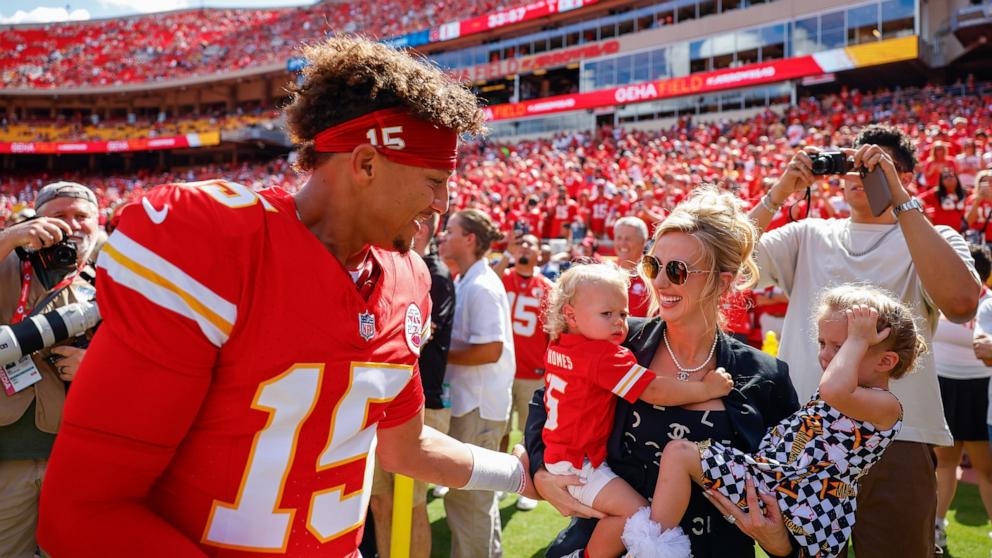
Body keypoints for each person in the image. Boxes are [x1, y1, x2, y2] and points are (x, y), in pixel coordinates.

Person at [37, 37, 533, 558]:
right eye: (434, 180)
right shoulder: (216, 246)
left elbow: (408, 446)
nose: (442, 204)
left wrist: (518, 475)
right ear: (365, 165)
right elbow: (82, 514)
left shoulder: (407, 278)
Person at [526, 187, 801, 558]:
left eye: (677, 270)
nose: (659, 282)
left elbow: (796, 492)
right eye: (654, 266)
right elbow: (547, 402)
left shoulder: (764, 376)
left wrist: (780, 543)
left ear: (723, 281)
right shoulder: (616, 341)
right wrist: (543, 472)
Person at [749, 124, 981, 557]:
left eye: (871, 164)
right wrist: (778, 194)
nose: (855, 173)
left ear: (904, 175)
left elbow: (962, 303)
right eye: (850, 163)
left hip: (900, 433)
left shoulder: (934, 237)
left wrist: (899, 199)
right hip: (809, 432)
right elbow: (723, 263)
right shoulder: (808, 233)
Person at [625, 284, 919, 558]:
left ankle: (651, 549)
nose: (826, 356)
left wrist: (858, 337)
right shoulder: (844, 392)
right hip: (779, 484)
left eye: (840, 347)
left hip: (805, 500)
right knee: (683, 454)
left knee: (679, 454)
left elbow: (833, 390)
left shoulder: (885, 405)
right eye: (822, 343)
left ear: (885, 362)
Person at [540, 262, 734, 557]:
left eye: (623, 313)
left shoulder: (560, 344)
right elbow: (654, 390)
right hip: (579, 465)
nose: (619, 323)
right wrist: (705, 390)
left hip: (562, 456)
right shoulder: (603, 355)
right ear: (571, 315)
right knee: (637, 515)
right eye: (607, 314)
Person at [0, 181, 100, 558]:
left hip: (74, 454)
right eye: (59, 215)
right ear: (36, 221)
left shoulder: (105, 279)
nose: (72, 225)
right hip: (9, 457)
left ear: (98, 222)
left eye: (81, 216)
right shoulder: (9, 262)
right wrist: (10, 237)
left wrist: (96, 367)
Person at [369, 213, 456, 558]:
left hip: (421, 402)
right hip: (380, 401)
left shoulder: (433, 273)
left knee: (414, 504)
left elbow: (419, 335)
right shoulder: (385, 267)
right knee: (380, 501)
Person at [438, 208, 516, 558]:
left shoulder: (483, 285)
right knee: (473, 501)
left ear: (469, 239)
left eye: (450, 230)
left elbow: (490, 349)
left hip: (479, 408)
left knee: (469, 502)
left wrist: (438, 351)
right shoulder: (468, 279)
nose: (443, 236)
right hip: (474, 404)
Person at [933, 244, 992, 552]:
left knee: (985, 468)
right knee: (945, 462)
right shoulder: (939, 294)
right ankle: (937, 528)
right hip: (944, 385)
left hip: (979, 389)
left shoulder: (989, 303)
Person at [497, 232, 552, 512]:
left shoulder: (547, 286)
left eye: (530, 243)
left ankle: (528, 486)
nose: (525, 248)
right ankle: (500, 480)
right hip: (501, 370)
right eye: (520, 243)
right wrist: (507, 253)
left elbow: (553, 332)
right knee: (500, 429)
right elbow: (488, 277)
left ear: (539, 252)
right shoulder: (502, 276)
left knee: (529, 433)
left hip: (533, 371)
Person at [613, 217, 651, 318]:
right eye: (619, 238)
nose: (622, 243)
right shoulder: (605, 271)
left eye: (628, 239)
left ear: (643, 242)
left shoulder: (653, 276)